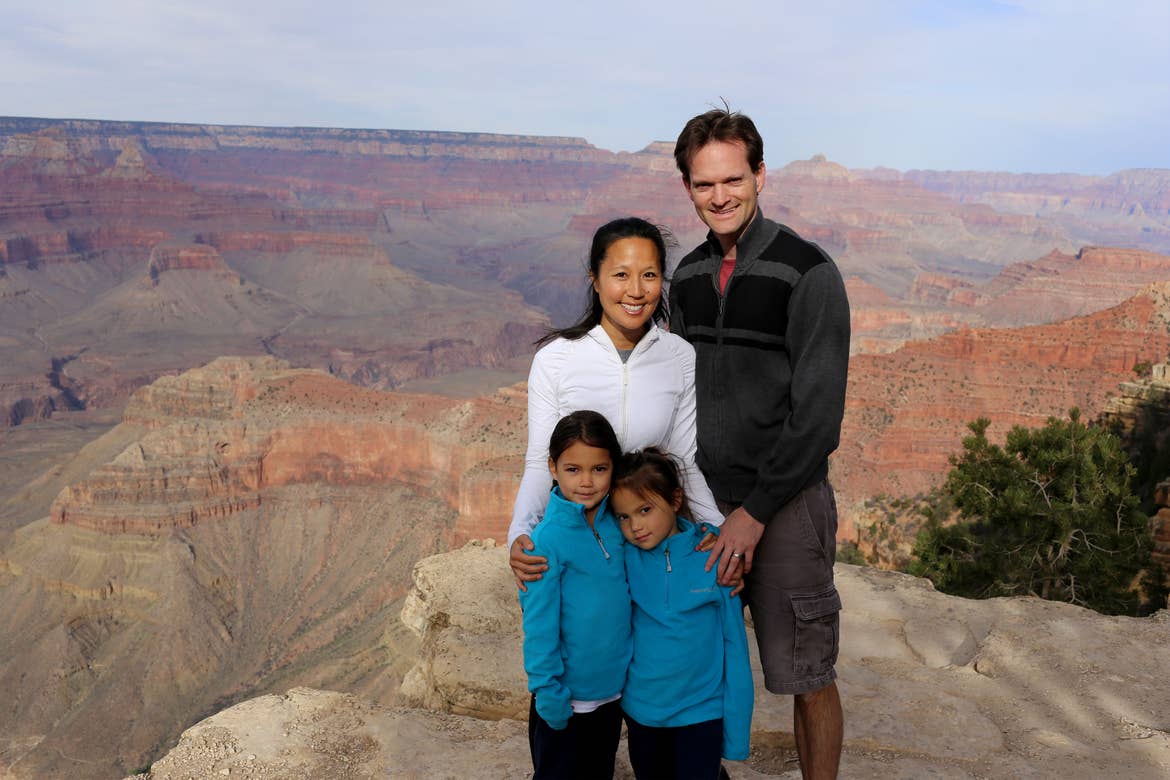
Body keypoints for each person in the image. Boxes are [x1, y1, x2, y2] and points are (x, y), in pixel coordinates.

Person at [668, 106, 850, 780]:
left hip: (787, 506)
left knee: (805, 671)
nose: (720, 196)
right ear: (688, 188)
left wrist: (754, 514)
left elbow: (818, 420)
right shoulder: (684, 278)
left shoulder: (809, 274)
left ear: (760, 175)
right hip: (702, 511)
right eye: (704, 184)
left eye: (732, 180)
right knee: (698, 669)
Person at [509, 217, 723, 589]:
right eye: (621, 275)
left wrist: (715, 528)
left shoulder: (679, 357)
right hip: (581, 544)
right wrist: (520, 532)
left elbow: (684, 459)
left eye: (650, 275)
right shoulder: (556, 359)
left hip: (650, 539)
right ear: (595, 278)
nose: (636, 291)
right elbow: (539, 461)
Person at [611, 448, 753, 780]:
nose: (635, 526)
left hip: (701, 712)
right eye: (623, 516)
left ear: (675, 500)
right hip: (643, 713)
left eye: (645, 509)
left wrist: (736, 733)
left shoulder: (714, 557)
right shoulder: (625, 559)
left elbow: (735, 645)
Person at [520, 410, 630, 779]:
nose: (586, 481)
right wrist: (547, 691)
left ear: (613, 468)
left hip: (610, 697)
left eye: (599, 469)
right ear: (552, 467)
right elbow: (539, 625)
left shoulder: (619, 525)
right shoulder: (546, 541)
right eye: (573, 469)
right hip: (564, 701)